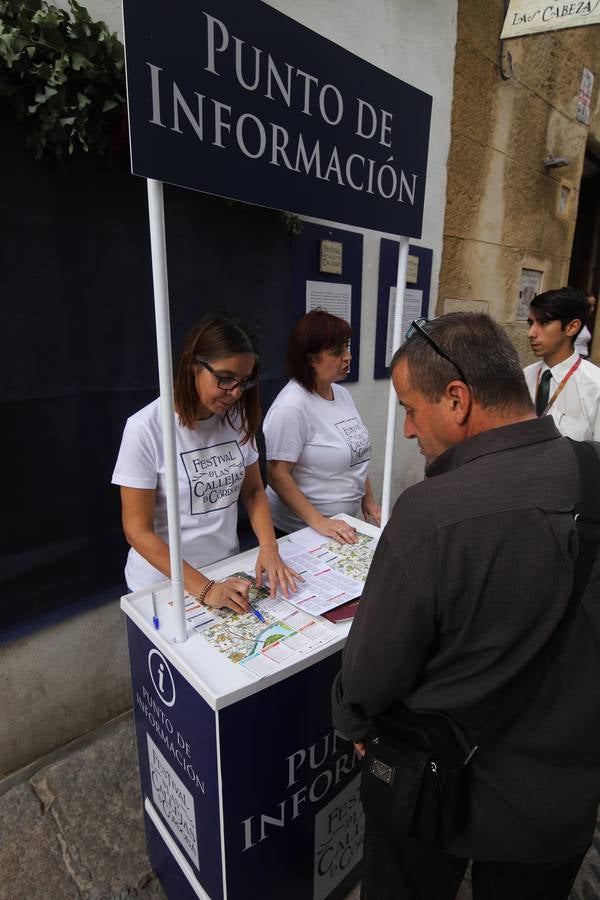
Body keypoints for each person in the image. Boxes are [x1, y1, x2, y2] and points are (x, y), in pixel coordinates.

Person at [332, 313, 600, 900]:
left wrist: (353, 718)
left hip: (436, 793)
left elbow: (371, 672)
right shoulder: (594, 475)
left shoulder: (431, 513)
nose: (406, 430)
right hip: (559, 805)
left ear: (456, 399)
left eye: (409, 408)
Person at [112, 313, 299, 613]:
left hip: (226, 571)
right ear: (192, 367)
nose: (235, 392)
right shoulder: (146, 428)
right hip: (162, 586)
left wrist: (269, 547)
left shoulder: (236, 417)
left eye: (243, 382)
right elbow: (137, 531)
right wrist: (204, 589)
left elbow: (252, 492)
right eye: (224, 379)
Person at [263, 309, 381, 543]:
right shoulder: (292, 406)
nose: (347, 357)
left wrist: (368, 500)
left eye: (347, 347)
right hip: (298, 530)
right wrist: (318, 521)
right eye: (337, 352)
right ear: (310, 359)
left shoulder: (342, 394)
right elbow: (277, 474)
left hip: (340, 525)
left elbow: (355, 451)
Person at [524, 286, 600, 440]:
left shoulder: (595, 387)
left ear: (572, 327)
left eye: (543, 322)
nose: (531, 333)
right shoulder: (524, 376)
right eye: (531, 323)